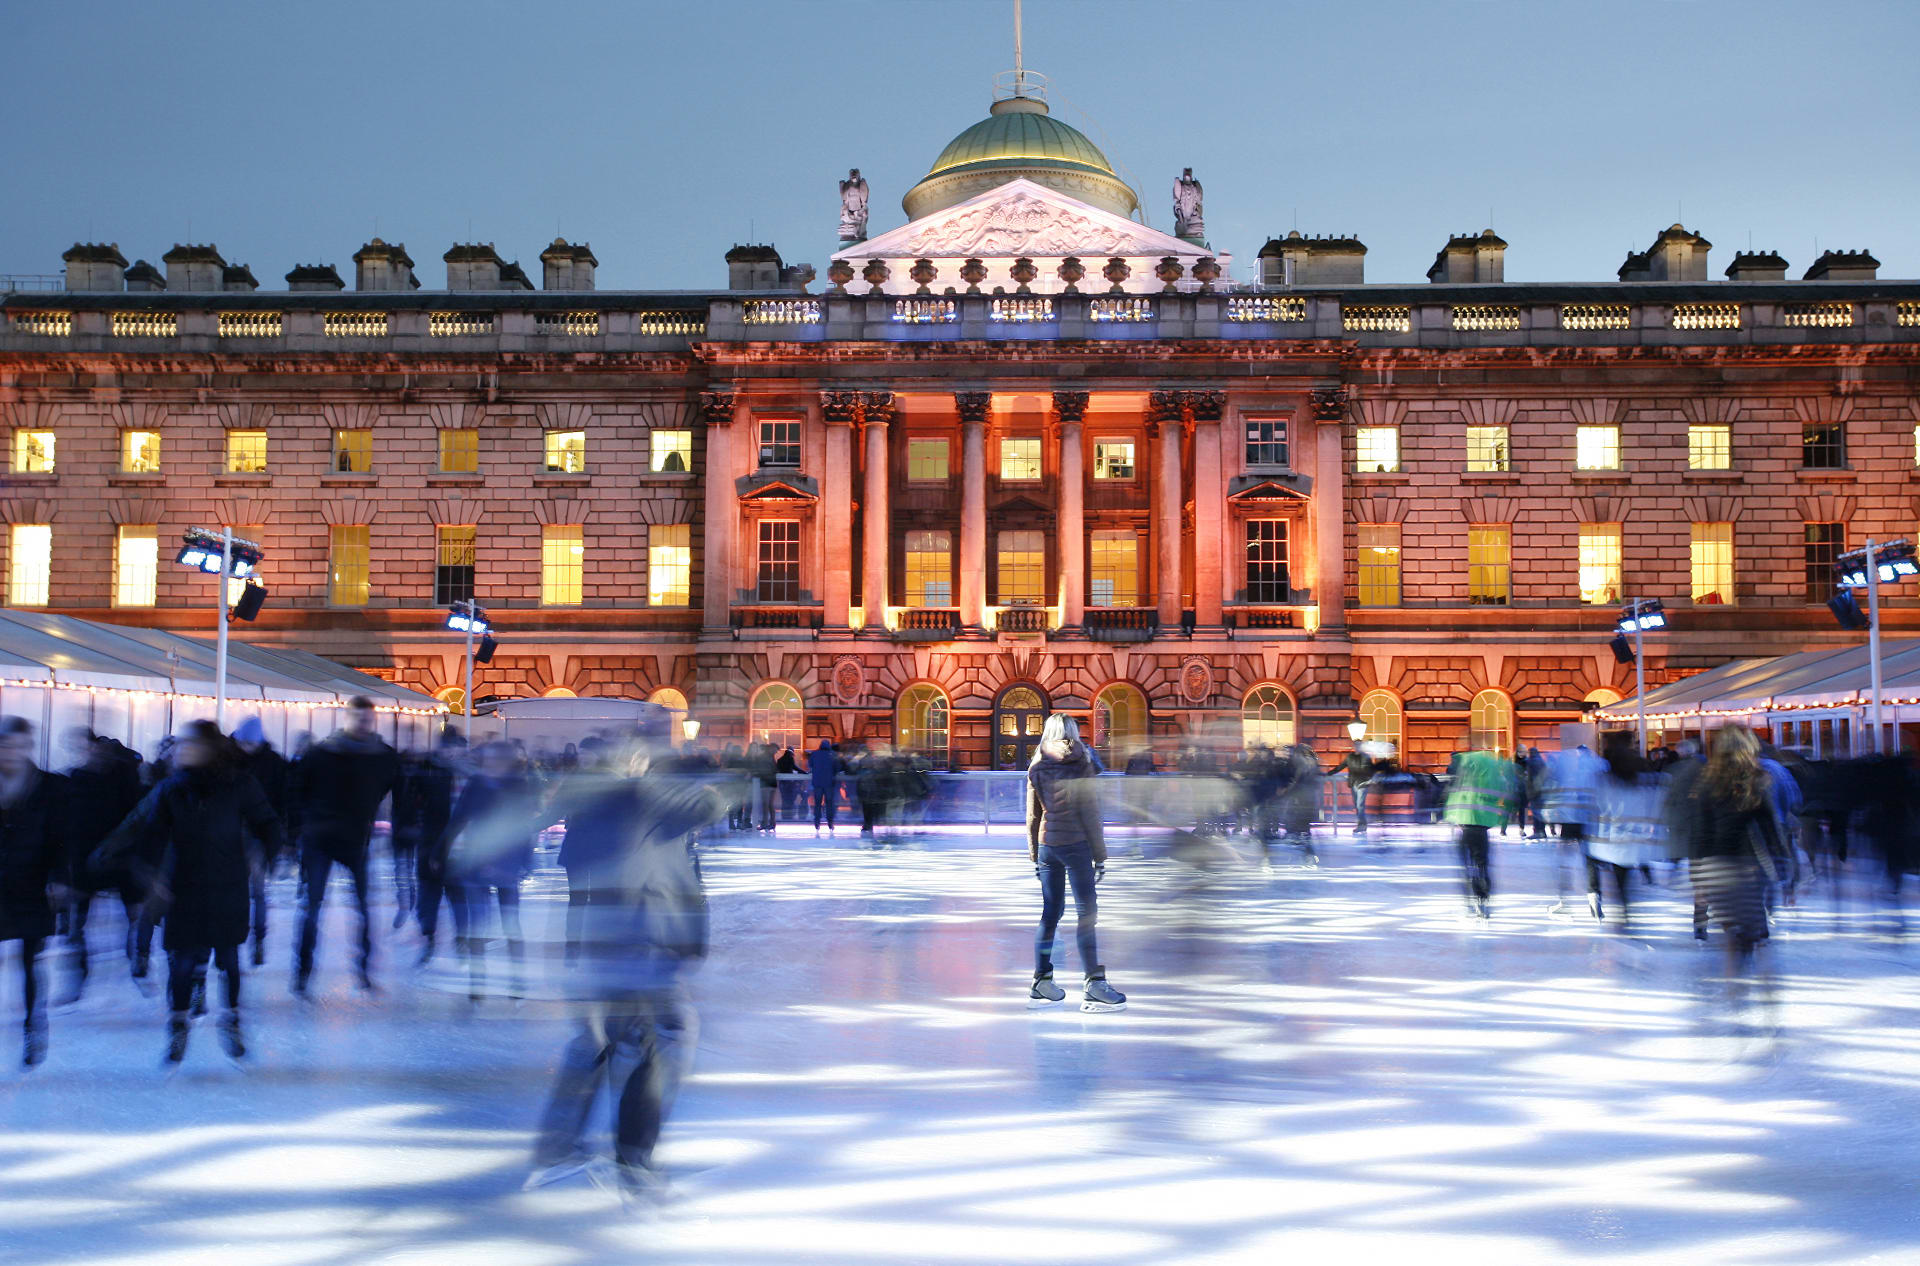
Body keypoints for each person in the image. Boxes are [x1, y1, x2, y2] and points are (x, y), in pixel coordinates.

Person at [527, 740, 723, 1205]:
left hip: (608, 937)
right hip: (643, 937)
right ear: (636, 764)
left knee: (601, 1040)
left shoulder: (593, 802)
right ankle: (633, 1161)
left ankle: (559, 1149)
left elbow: (575, 869)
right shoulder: (642, 794)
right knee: (666, 1037)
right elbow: (711, 804)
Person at [95, 720, 284, 1065]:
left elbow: (269, 823)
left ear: (209, 749)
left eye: (190, 745)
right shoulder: (172, 789)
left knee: (229, 961)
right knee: (182, 964)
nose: (182, 750)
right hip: (184, 888)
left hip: (228, 886)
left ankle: (232, 1020)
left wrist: (264, 856)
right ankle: (178, 1025)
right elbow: (151, 834)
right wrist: (150, 876)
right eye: (181, 745)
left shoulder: (239, 784)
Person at [292, 697, 402, 995]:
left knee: (362, 907)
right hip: (320, 838)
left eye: (368, 720)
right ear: (348, 719)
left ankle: (363, 970)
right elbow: (298, 791)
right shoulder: (321, 754)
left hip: (354, 840)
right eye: (359, 719)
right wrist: (303, 828)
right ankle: (303, 972)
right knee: (313, 907)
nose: (364, 725)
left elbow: (391, 789)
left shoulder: (383, 757)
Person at [1025, 715, 1124, 1012]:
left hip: (1047, 847)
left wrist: (1034, 854)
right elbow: (1091, 813)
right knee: (1086, 915)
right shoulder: (1082, 762)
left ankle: (1041, 981)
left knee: (1050, 914)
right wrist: (1100, 855)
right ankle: (1094, 984)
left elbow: (1033, 816)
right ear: (1073, 733)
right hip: (1076, 846)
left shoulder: (1037, 765)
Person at [1677, 726, 1782, 973]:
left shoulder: (1705, 782)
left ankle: (1737, 977)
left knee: (1734, 928)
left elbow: (1700, 834)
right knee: (1750, 927)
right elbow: (1771, 829)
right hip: (1748, 866)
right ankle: (1750, 971)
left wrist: (1698, 878)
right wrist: (1783, 867)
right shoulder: (1757, 781)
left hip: (1717, 866)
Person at [56, 728, 145, 1005]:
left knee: (133, 915)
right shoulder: (74, 780)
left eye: (87, 746)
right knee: (78, 922)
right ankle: (78, 976)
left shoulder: (122, 776)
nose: (85, 752)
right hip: (85, 859)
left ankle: (137, 960)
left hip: (120, 857)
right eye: (77, 747)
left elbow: (137, 816)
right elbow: (67, 824)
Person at [445, 741, 536, 999]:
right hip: (481, 864)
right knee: (482, 925)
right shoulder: (480, 784)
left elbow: (523, 827)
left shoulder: (517, 786)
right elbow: (459, 819)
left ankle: (514, 983)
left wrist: (526, 861)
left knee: (507, 926)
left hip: (501, 865)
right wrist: (441, 851)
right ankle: (480, 984)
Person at [0, 717, 67, 1068]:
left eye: (18, 745)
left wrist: (58, 877)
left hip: (32, 885)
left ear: (28, 748)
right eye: (5, 745)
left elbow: (60, 837)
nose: (11, 752)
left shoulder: (48, 787)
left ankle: (32, 1025)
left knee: (30, 962)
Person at [231, 717, 290, 965]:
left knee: (256, 890)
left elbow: (283, 801)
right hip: (229, 834)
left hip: (258, 836)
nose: (247, 748)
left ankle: (258, 939)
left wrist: (278, 839)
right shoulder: (226, 759)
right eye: (243, 743)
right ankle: (233, 940)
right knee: (233, 890)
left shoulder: (274, 764)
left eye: (250, 744)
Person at [1444, 737, 1517, 919]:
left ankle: (1471, 897)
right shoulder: (1492, 766)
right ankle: (1482, 899)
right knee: (1482, 862)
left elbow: (1450, 786)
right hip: (1482, 821)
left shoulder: (1463, 762)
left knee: (1466, 863)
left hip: (1463, 819)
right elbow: (1502, 790)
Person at [407, 730, 463, 966]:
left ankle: (462, 939)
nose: (451, 752)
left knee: (458, 894)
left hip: (458, 846)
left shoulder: (468, 774)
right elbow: (411, 802)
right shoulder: (427, 772)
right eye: (447, 748)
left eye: (454, 748)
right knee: (430, 892)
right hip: (432, 842)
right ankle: (429, 936)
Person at [808, 739, 841, 833]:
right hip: (829, 783)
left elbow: (810, 765)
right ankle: (830, 822)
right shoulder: (833, 754)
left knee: (817, 803)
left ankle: (817, 822)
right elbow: (838, 767)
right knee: (829, 803)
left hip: (817, 782)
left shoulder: (814, 754)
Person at [1342, 744, 1375, 836]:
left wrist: (1368, 779)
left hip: (1362, 784)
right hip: (1354, 784)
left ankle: (1362, 825)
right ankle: (1361, 825)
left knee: (1360, 805)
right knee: (1357, 805)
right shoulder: (1353, 757)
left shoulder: (1365, 757)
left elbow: (1371, 770)